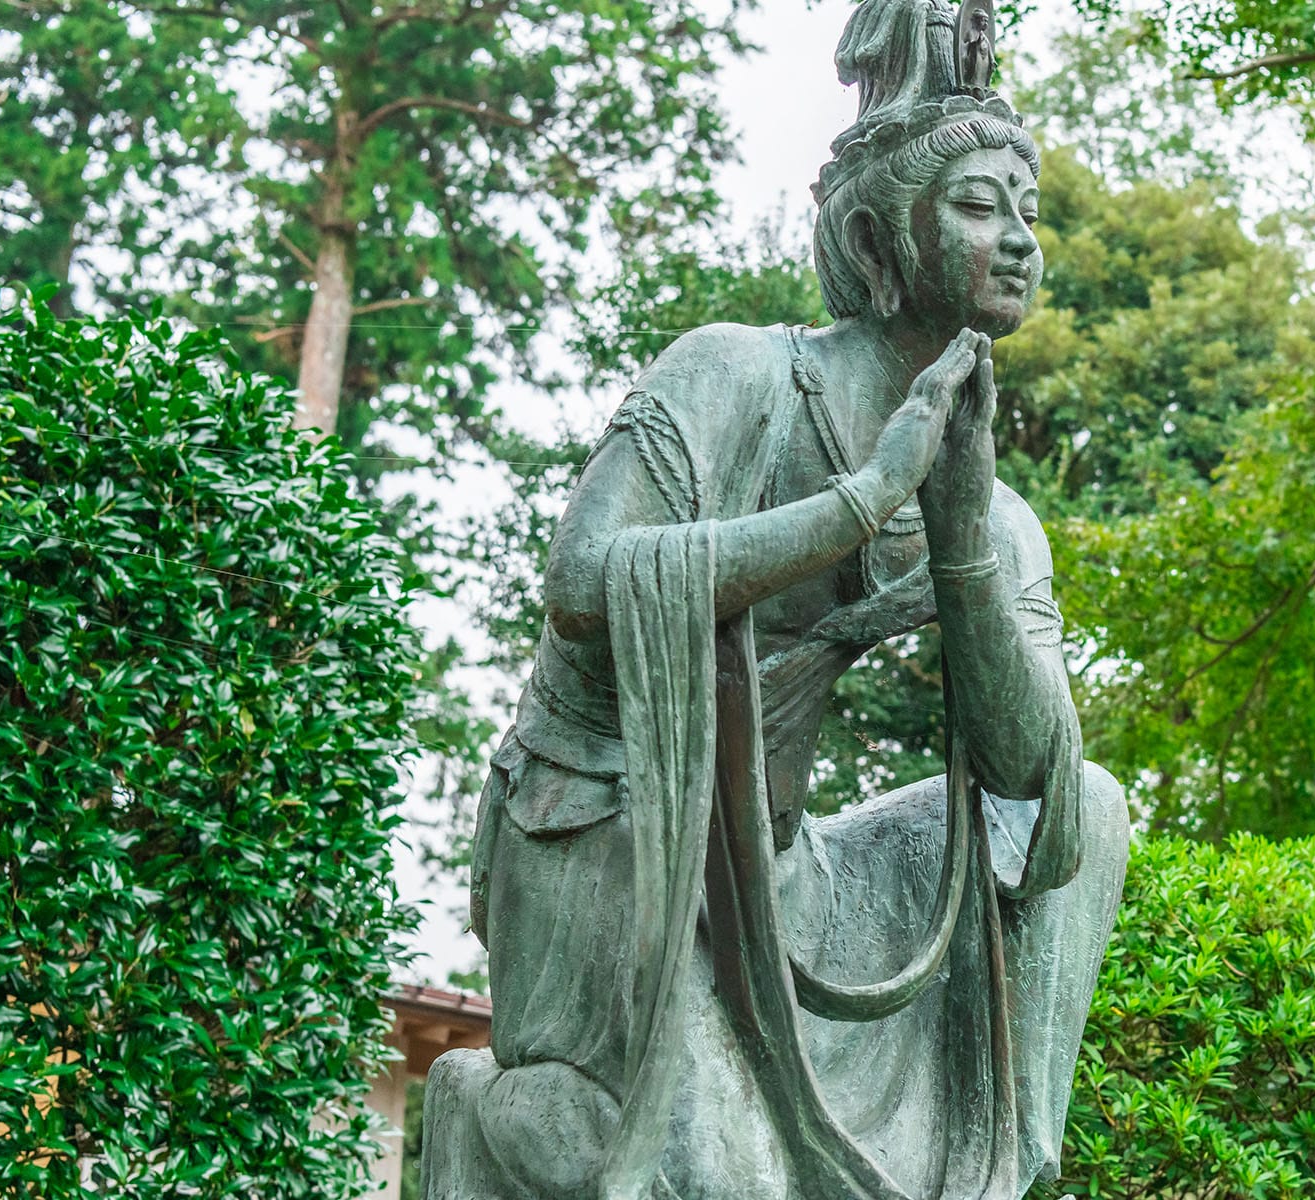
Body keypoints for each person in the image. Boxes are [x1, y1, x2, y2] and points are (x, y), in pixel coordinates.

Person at [422, 3, 1127, 1197]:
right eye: (974, 207)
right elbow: (587, 584)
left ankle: (1001, 1165)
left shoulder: (992, 512)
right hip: (616, 824)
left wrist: (956, 543)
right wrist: (856, 504)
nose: (1018, 242)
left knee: (1094, 802)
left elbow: (1033, 791)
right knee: (696, 1175)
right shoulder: (730, 373)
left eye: (1029, 215)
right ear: (872, 235)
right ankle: (483, 1111)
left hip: (784, 870)